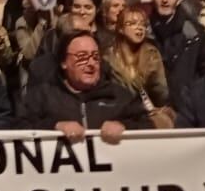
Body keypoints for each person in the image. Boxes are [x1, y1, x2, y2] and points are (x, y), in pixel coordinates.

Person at [18, 31, 151, 141]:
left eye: (95, 57)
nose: (91, 63)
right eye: (82, 57)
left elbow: (148, 127)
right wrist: (55, 126)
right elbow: (20, 127)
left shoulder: (120, 96)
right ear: (64, 62)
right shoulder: (42, 96)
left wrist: (124, 126)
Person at [107, 5, 173, 127]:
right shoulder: (108, 57)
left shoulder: (151, 54)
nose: (139, 27)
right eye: (132, 23)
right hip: (117, 115)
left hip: (145, 115)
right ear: (121, 29)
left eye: (142, 24)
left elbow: (161, 93)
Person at [149, 0, 205, 101]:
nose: (165, 0)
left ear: (178, 0)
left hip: (188, 105)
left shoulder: (195, 34)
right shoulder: (144, 32)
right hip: (155, 108)